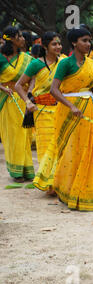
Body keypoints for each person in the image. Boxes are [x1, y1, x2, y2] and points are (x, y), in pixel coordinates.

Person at [33, 28, 93, 211]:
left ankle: (85, 191)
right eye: (84, 40)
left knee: (87, 149)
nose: (88, 44)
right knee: (68, 150)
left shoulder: (91, 64)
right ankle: (66, 188)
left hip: (87, 110)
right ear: (74, 43)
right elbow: (54, 90)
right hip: (68, 111)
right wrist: (71, 106)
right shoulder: (65, 63)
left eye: (89, 40)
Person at [15, 31, 64, 164]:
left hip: (61, 110)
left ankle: (59, 181)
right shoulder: (36, 64)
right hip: (42, 111)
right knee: (46, 146)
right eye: (54, 44)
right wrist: (28, 102)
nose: (58, 47)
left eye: (59, 43)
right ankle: (46, 181)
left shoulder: (64, 62)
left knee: (61, 147)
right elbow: (18, 85)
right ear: (45, 46)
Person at [0, 26, 34, 182]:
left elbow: (34, 75)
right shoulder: (1, 58)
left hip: (24, 99)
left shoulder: (27, 58)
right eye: (20, 36)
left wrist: (30, 92)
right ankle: (16, 171)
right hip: (8, 100)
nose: (23, 39)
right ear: (12, 39)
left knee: (25, 134)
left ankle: (27, 170)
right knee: (13, 135)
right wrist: (3, 88)